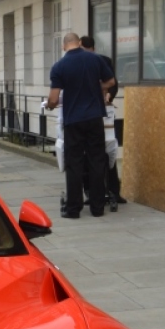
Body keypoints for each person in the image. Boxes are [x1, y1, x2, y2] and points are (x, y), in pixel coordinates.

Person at [47, 32, 116, 219]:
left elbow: (53, 98)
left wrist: (50, 104)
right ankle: (97, 207)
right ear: (79, 43)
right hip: (95, 118)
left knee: (74, 163)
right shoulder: (94, 59)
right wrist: (96, 86)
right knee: (96, 161)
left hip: (73, 120)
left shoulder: (59, 66)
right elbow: (111, 81)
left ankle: (73, 209)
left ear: (64, 46)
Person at [81, 35, 125, 206]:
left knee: (109, 151)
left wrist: (109, 95)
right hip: (89, 113)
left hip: (104, 110)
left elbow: (113, 83)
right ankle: (90, 191)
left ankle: (114, 190)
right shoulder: (78, 62)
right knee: (90, 154)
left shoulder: (104, 60)